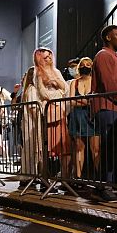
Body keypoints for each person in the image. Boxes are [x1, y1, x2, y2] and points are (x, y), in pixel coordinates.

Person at [90, 25, 117, 202]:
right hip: (108, 107)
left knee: (112, 149)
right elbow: (111, 86)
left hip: (116, 107)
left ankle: (107, 185)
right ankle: (103, 187)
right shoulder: (104, 55)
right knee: (107, 149)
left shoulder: (114, 57)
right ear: (108, 37)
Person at [32, 48, 71, 179]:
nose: (48, 59)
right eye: (45, 57)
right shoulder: (38, 73)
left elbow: (65, 88)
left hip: (60, 112)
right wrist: (58, 93)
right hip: (47, 113)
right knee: (47, 147)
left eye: (49, 56)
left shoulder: (57, 71)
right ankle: (46, 178)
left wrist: (56, 83)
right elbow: (43, 93)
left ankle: (65, 178)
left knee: (63, 146)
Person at [69, 58, 100, 179]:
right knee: (79, 148)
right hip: (77, 117)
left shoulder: (95, 82)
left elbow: (95, 101)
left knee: (95, 149)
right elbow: (71, 101)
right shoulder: (74, 83)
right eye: (82, 65)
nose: (85, 66)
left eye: (88, 64)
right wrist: (87, 102)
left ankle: (99, 178)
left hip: (92, 117)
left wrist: (81, 101)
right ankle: (78, 176)